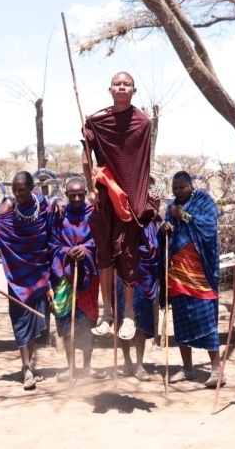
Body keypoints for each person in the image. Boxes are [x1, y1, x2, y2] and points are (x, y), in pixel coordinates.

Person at [83, 71, 157, 341]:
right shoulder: (96, 121)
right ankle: (106, 314)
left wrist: (138, 199)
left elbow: (141, 164)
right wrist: (91, 187)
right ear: (110, 89)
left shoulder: (143, 123)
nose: (122, 87)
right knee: (104, 255)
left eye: (127, 84)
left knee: (126, 255)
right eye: (117, 84)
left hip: (128, 201)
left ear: (133, 91)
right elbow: (86, 155)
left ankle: (128, 315)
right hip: (104, 197)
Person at [159, 172, 222, 388]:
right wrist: (164, 228)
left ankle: (216, 370)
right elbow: (168, 233)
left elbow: (210, 229)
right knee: (182, 321)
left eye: (181, 188)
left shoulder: (204, 201)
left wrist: (184, 216)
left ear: (191, 185)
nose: (178, 192)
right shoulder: (170, 207)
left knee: (207, 321)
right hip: (178, 273)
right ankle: (187, 368)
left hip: (200, 273)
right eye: (175, 189)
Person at [0, 171, 52, 390]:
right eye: (15, 190)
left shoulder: (43, 204)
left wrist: (62, 203)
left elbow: (52, 224)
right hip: (17, 273)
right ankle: (26, 367)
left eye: (22, 190)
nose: (18, 194)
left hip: (39, 271)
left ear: (32, 187)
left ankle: (28, 364)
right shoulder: (8, 206)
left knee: (35, 320)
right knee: (19, 319)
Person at [48, 178, 102, 381]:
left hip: (87, 274)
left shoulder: (94, 213)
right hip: (63, 276)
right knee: (65, 322)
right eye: (72, 195)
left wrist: (86, 249)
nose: (77, 198)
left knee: (87, 321)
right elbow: (52, 242)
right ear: (66, 194)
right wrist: (68, 251)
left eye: (81, 194)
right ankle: (71, 368)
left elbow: (100, 239)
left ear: (85, 192)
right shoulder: (60, 214)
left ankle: (87, 367)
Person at [114, 220, 160, 381]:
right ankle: (127, 361)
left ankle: (139, 364)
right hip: (123, 271)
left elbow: (155, 247)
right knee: (122, 317)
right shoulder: (122, 216)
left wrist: (164, 231)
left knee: (141, 320)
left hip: (145, 273)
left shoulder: (151, 222)